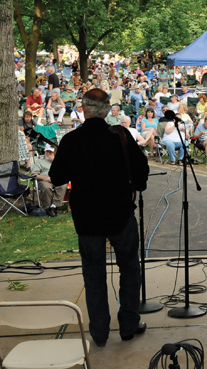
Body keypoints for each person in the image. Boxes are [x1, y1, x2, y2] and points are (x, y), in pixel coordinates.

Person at [49, 88, 149, 348]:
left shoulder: (72, 140)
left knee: (93, 275)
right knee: (130, 269)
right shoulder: (121, 136)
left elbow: (57, 176)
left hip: (88, 218)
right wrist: (137, 184)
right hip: (120, 214)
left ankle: (100, 332)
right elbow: (141, 171)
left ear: (83, 109)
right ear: (107, 110)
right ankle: (128, 325)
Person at [31, 144, 67, 217]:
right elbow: (34, 174)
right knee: (46, 187)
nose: (48, 153)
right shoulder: (40, 161)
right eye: (47, 151)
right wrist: (44, 178)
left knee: (63, 184)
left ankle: (53, 206)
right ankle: (47, 206)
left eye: (51, 152)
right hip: (44, 180)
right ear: (44, 151)